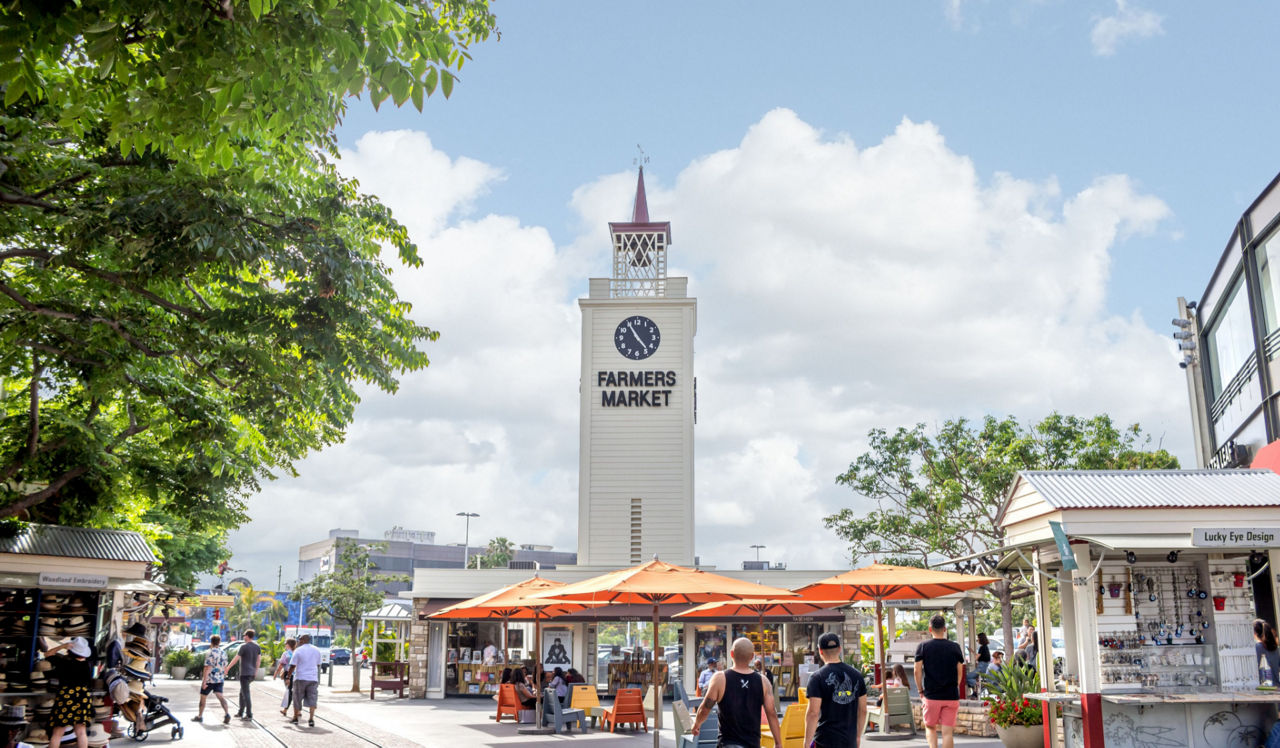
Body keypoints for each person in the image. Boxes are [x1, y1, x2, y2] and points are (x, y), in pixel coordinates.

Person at [691, 637, 781, 748]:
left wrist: (696, 724)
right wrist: (778, 743)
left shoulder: (720, 678)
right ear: (752, 657)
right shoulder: (763, 681)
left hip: (728, 744)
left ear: (731, 654)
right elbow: (771, 713)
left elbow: (705, 708)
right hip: (753, 744)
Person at [803, 633, 867, 748]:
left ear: (820, 651)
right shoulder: (857, 675)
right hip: (849, 741)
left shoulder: (817, 677)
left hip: (825, 741)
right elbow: (863, 710)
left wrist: (807, 743)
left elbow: (813, 713)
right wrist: (857, 737)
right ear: (840, 649)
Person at [914, 614, 965, 748]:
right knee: (947, 733)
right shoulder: (955, 647)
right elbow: (960, 671)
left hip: (931, 696)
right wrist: (955, 686)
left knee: (930, 728)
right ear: (945, 629)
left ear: (930, 629)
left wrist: (920, 690)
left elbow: (917, 671)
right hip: (951, 695)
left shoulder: (923, 646)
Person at [46, 637, 94, 748]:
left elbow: (47, 654)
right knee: (81, 732)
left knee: (58, 733)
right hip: (83, 697)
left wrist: (62, 646)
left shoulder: (64, 663)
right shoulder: (88, 665)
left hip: (66, 697)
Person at [194, 634, 231, 725]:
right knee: (220, 697)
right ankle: (227, 714)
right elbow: (224, 666)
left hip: (210, 679)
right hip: (219, 679)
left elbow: (208, 668)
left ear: (211, 642)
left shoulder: (209, 652)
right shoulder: (223, 652)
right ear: (219, 642)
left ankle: (200, 716)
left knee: (203, 697)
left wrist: (204, 681)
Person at [288, 633, 322, 727]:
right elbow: (318, 664)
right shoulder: (317, 650)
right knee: (313, 698)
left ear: (302, 640)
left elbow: (292, 665)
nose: (298, 641)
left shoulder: (298, 650)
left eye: (299, 640)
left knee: (297, 698)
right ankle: (311, 719)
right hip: (313, 679)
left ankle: (295, 718)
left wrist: (288, 677)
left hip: (300, 678)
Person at [227, 629, 261, 721]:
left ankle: (249, 714)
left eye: (244, 635)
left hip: (245, 673)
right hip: (252, 674)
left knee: (246, 694)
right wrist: (256, 671)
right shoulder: (257, 647)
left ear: (247, 636)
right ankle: (240, 712)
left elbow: (236, 658)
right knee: (242, 693)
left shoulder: (244, 647)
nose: (243, 637)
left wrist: (228, 668)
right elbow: (258, 661)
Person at [274, 638, 297, 717]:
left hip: (288, 674)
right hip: (297, 675)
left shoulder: (286, 654)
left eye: (286, 643)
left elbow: (281, 664)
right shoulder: (296, 653)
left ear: (288, 645)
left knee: (289, 692)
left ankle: (285, 709)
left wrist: (276, 673)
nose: (285, 645)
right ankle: (298, 710)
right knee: (295, 692)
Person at [1254, 618, 1279, 685]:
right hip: (1276, 686)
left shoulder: (1258, 647)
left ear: (1255, 633)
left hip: (1264, 687)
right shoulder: (1275, 647)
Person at [966, 632, 991, 697]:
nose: (977, 640)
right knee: (973, 677)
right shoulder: (986, 647)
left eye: (978, 638)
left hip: (981, 666)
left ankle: (980, 685)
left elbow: (977, 658)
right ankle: (975, 691)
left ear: (981, 639)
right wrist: (972, 651)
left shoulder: (982, 647)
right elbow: (979, 656)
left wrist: (974, 655)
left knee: (968, 677)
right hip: (984, 666)